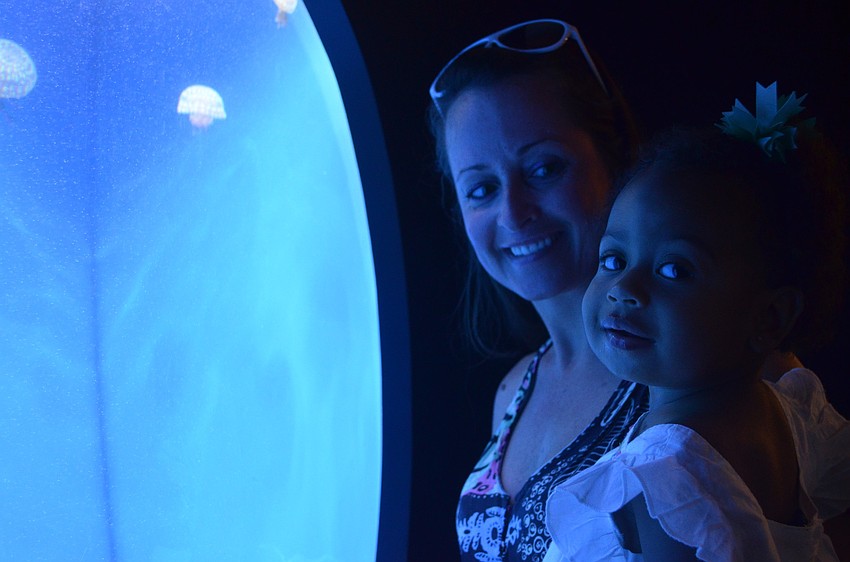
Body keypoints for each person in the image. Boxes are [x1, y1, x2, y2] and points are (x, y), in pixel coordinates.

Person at [543, 82, 850, 561]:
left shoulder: (664, 482)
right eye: (613, 259)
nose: (625, 288)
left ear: (770, 316)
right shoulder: (787, 415)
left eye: (674, 270)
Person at [428, 19, 648, 560]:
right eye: (482, 188)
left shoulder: (702, 365)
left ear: (614, 161)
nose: (514, 213)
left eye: (544, 168)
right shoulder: (511, 391)